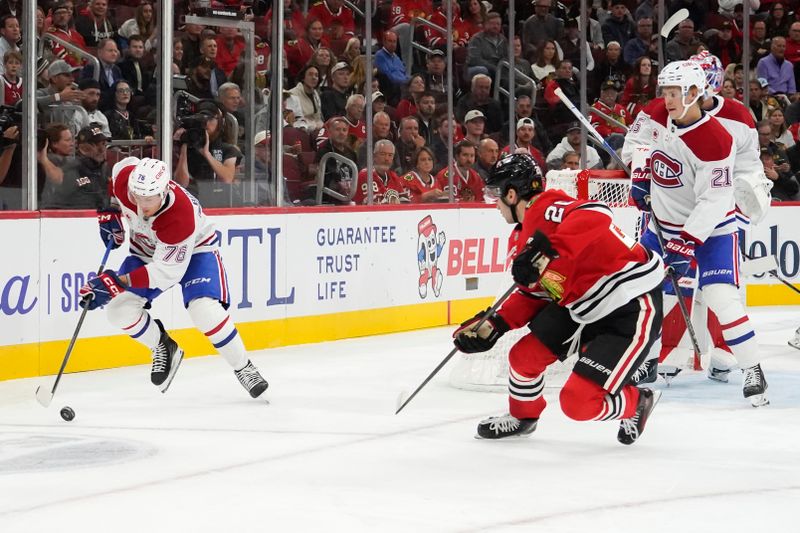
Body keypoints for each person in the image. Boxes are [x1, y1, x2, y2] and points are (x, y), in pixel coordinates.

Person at [453, 153, 663, 444]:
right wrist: (496, 323)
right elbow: (534, 293)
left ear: (512, 194)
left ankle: (636, 401)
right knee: (523, 357)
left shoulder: (549, 205)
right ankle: (523, 416)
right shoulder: (521, 238)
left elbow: (598, 214)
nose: (496, 205)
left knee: (578, 403)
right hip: (581, 303)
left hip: (628, 303)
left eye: (496, 196)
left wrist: (548, 250)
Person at [624, 60, 768, 407]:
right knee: (644, 292)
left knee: (721, 296)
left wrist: (688, 241)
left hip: (712, 230)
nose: (667, 99)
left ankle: (753, 369)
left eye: (674, 93)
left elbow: (715, 200)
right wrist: (641, 173)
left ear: (694, 93)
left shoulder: (716, 140)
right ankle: (647, 361)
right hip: (661, 226)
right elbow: (636, 143)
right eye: (665, 92)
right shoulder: (656, 111)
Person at [77, 157, 269, 398]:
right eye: (137, 197)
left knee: (204, 311)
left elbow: (165, 274)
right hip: (146, 252)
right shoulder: (127, 181)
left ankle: (244, 367)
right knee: (118, 311)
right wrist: (110, 210)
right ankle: (162, 347)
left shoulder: (180, 215)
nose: (142, 205)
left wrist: (117, 282)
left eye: (149, 199)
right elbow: (118, 171)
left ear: (165, 190)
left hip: (196, 250)